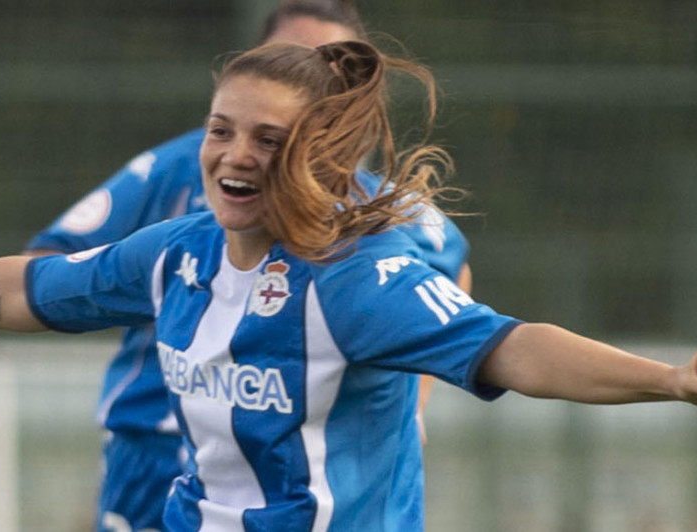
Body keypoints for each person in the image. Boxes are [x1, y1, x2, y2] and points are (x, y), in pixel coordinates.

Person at [0, 40, 697, 532]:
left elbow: (512, 347)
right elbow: (34, 287)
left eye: (268, 139)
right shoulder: (177, 253)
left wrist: (666, 379)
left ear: (321, 156)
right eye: (220, 131)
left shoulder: (358, 281)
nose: (234, 155)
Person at [25, 2, 468, 530]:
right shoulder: (183, 167)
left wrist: (413, 406)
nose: (302, 73)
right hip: (158, 450)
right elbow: (50, 261)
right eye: (292, 55)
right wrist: (156, 294)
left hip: (282, 462)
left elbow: (451, 272)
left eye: (325, 68)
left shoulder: (372, 209)